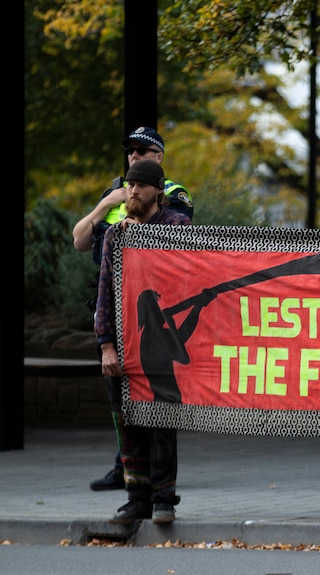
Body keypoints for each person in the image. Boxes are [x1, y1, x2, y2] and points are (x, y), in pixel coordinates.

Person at [73, 126, 193, 492]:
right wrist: (108, 204)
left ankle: (160, 491)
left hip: (153, 317)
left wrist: (137, 224)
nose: (135, 156)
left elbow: (181, 241)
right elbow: (80, 240)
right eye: (130, 151)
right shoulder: (116, 197)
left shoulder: (171, 195)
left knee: (155, 407)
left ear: (159, 157)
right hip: (113, 306)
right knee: (121, 407)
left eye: (143, 150)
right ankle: (126, 474)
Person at [94, 159, 191, 525]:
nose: (132, 192)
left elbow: (183, 272)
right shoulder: (114, 235)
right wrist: (106, 344)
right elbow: (105, 292)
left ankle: (163, 498)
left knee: (161, 420)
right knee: (127, 422)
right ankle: (137, 499)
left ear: (157, 191)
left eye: (140, 186)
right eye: (130, 186)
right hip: (122, 341)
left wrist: (142, 240)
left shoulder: (176, 225)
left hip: (159, 344)